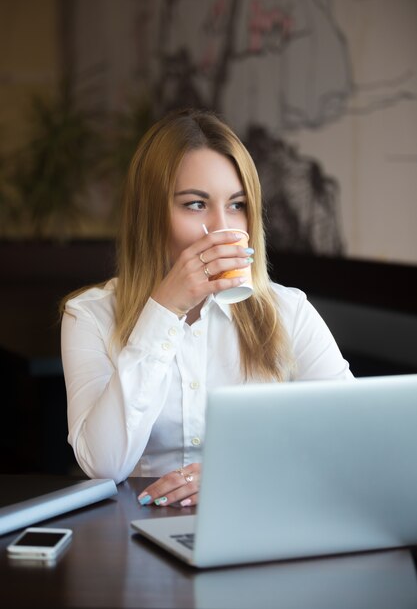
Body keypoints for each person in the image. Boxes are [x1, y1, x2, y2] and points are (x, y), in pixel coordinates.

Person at [61, 108, 353, 508]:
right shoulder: (90, 316)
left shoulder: (290, 312)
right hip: (136, 527)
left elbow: (351, 437)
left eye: (237, 204)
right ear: (150, 215)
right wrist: (164, 308)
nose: (222, 228)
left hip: (259, 517)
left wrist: (241, 471)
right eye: (196, 204)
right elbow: (104, 464)